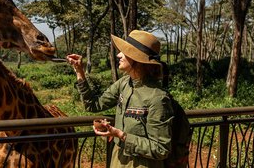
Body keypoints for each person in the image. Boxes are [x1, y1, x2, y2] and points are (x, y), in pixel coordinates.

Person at [67, 30, 174, 168]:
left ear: (137, 59)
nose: (118, 55)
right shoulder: (124, 83)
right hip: (117, 160)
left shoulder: (157, 98)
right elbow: (93, 105)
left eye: (125, 52)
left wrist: (121, 135)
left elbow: (161, 149)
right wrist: (80, 72)